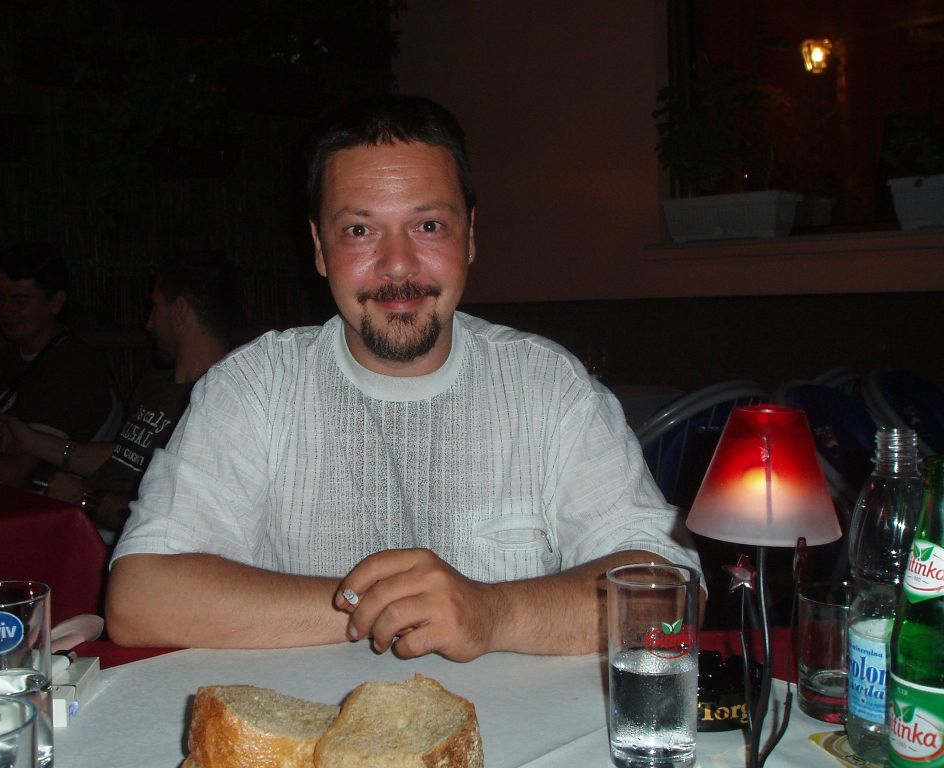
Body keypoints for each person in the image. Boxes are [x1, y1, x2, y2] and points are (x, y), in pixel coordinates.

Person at [106, 95, 702, 661]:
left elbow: (671, 593)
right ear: (319, 248)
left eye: (429, 226)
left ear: (470, 235)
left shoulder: (547, 386)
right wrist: (388, 610)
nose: (397, 265)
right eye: (359, 230)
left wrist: (493, 613)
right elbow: (140, 596)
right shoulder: (255, 388)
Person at [0, 254, 238, 535]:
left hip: (124, 546)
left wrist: (84, 499)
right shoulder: (157, 384)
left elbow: (184, 518)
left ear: (180, 311)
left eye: (155, 307)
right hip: (88, 530)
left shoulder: (220, 405)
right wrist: (30, 441)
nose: (149, 324)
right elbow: (123, 456)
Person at [0, 244, 112, 487]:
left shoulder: (72, 367)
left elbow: (13, 471)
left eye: (19, 301)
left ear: (55, 303)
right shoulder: (10, 356)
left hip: (37, 499)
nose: (5, 310)